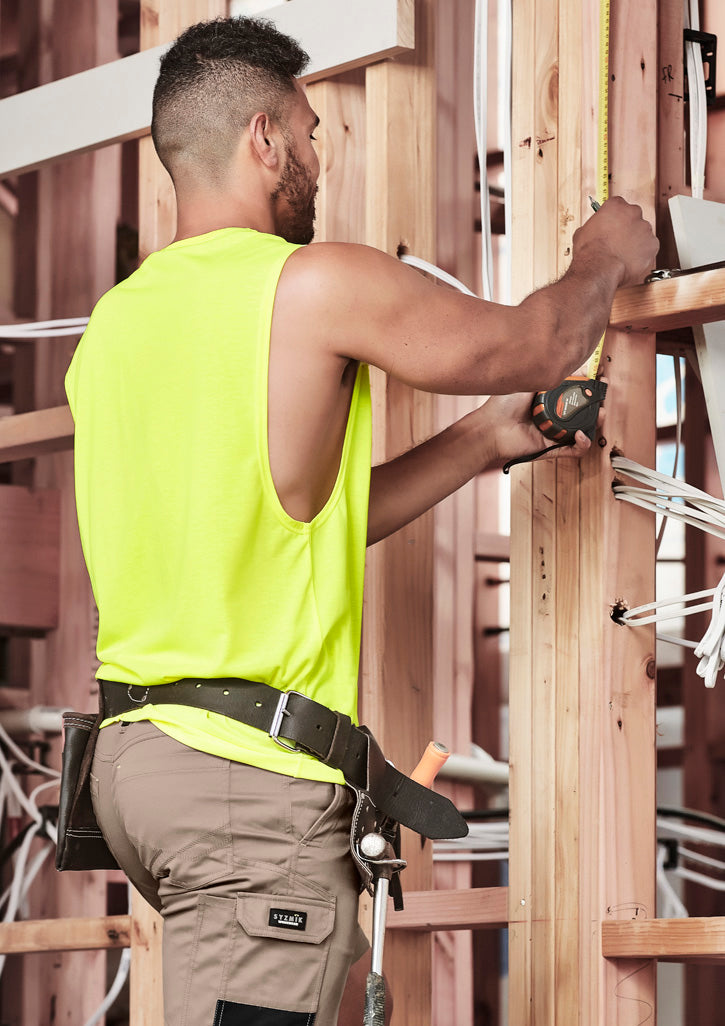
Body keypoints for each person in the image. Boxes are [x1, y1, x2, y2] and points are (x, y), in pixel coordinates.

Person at [64, 15, 659, 1026]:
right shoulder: (308, 284)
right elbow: (536, 341)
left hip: (139, 767)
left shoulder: (115, 326)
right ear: (262, 138)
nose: (318, 157)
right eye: (309, 133)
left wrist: (478, 442)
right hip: (243, 782)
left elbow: (292, 526)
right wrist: (602, 257)